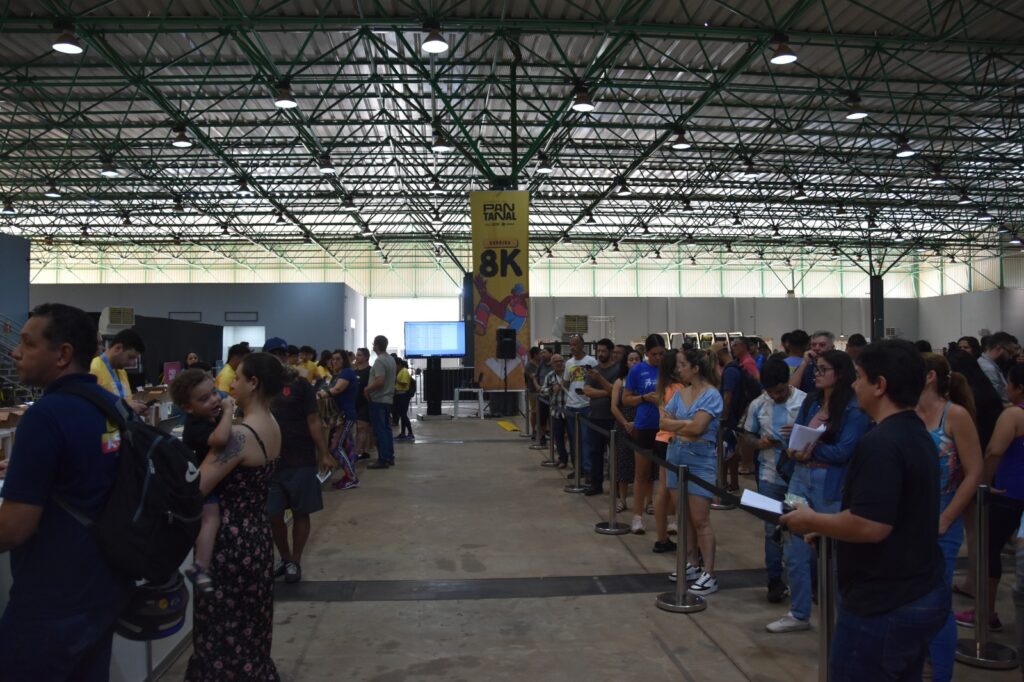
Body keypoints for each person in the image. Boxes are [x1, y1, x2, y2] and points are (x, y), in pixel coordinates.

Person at [781, 340, 948, 681]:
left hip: (886, 600)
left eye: (859, 377)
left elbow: (872, 525)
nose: (854, 385)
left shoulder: (881, 443)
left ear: (880, 385)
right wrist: (828, 527)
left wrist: (812, 518)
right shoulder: (914, 432)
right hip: (916, 587)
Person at [0, 303, 133, 679]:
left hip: (50, 600)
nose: (15, 351)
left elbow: (14, 528)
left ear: (62, 354)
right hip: (104, 590)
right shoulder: (114, 407)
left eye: (27, 343)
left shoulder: (45, 417)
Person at [186, 352, 285, 680]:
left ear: (253, 383)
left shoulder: (240, 436)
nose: (230, 384)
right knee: (251, 630)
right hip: (256, 538)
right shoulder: (271, 425)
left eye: (238, 378)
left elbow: (196, 487)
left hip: (229, 545)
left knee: (222, 633)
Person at [767, 350, 869, 633]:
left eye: (823, 369)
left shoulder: (853, 409)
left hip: (830, 482)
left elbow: (845, 451)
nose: (817, 373)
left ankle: (842, 618)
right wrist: (794, 450)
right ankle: (799, 612)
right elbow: (799, 432)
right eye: (817, 369)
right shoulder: (812, 400)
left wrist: (811, 449)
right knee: (794, 548)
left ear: (840, 372)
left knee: (834, 553)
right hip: (800, 477)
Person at [916, 353, 983, 681]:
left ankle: (941, 673)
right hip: (909, 521)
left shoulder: (954, 416)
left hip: (943, 517)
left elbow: (974, 472)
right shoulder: (907, 414)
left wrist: (947, 517)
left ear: (929, 376)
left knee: (938, 603)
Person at [956, 363, 1024, 632]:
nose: (1005, 389)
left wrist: (982, 482)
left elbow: (994, 450)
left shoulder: (1013, 416)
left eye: (1009, 384)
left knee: (988, 549)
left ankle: (985, 611)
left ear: (1019, 388)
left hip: (1009, 493)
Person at [264, 337, 331, 584]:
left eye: (281, 353)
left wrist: (323, 452)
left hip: (300, 458)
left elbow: (313, 420)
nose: (278, 357)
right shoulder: (258, 386)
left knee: (302, 512)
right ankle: (284, 557)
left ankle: (295, 560)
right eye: (273, 353)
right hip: (269, 461)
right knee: (273, 514)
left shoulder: (300, 385)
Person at [660, 349, 724, 595]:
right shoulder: (680, 393)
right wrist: (686, 426)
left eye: (682, 364)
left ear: (695, 368)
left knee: (700, 519)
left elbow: (698, 429)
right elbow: (664, 422)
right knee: (684, 517)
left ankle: (709, 572)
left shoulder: (711, 395)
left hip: (700, 460)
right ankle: (692, 563)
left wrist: (682, 426)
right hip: (675, 455)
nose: (678, 369)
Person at [744, 358, 806, 604]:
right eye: (771, 392)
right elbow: (747, 435)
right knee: (771, 530)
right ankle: (774, 580)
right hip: (768, 475)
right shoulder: (758, 404)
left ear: (787, 383)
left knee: (800, 528)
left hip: (798, 476)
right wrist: (758, 443)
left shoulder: (804, 402)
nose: (775, 396)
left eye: (779, 391)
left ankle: (804, 581)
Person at [170, 368, 236, 595]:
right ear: (188, 408)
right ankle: (200, 566)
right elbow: (220, 439)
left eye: (214, 393)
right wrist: (228, 412)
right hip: (200, 484)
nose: (215, 400)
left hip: (212, 483)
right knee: (210, 518)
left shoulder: (209, 417)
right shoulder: (196, 426)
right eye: (204, 398)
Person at [624, 334, 666, 534]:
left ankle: (671, 517)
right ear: (646, 353)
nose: (658, 358)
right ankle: (637, 517)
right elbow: (626, 399)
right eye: (654, 354)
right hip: (644, 425)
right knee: (641, 474)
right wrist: (643, 398)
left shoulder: (670, 370)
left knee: (667, 476)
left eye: (661, 354)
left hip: (667, 427)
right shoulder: (637, 370)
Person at [319, 349, 360, 490]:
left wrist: (320, 395)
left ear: (344, 360)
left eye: (338, 359)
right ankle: (350, 475)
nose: (334, 361)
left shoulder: (347, 373)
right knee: (348, 447)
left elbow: (337, 390)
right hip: (341, 416)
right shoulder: (338, 374)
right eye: (332, 359)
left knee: (335, 447)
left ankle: (352, 477)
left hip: (344, 416)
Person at [583, 338, 619, 496]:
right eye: (598, 351)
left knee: (616, 455)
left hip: (613, 418)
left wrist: (600, 380)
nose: (600, 354)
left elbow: (617, 393)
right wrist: (608, 391)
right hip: (595, 417)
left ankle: (617, 487)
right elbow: (587, 391)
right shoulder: (593, 370)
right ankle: (596, 484)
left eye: (604, 351)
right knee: (595, 452)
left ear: (611, 352)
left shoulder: (618, 370)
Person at [611, 349, 642, 513]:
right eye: (631, 359)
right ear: (626, 363)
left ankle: (646, 501)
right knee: (622, 464)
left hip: (642, 425)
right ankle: (622, 500)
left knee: (644, 466)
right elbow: (614, 407)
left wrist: (638, 422)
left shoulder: (645, 381)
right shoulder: (620, 382)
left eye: (637, 359)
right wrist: (625, 423)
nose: (634, 362)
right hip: (624, 426)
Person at [90, 328, 149, 414]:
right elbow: (92, 407)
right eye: (130, 357)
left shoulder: (122, 372)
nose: (132, 363)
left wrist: (136, 407)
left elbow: (125, 400)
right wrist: (127, 407)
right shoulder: (94, 369)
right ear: (118, 348)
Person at [563, 334, 597, 480]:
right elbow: (566, 382)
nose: (572, 347)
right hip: (571, 405)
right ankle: (578, 468)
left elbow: (597, 380)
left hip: (586, 405)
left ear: (582, 345)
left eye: (575, 344)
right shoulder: (569, 363)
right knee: (574, 439)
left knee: (586, 440)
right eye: (570, 344)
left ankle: (588, 469)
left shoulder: (591, 361)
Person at [365, 335, 397, 469]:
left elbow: (380, 381)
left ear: (377, 346)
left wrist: (367, 389)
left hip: (378, 399)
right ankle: (389, 456)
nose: (373, 347)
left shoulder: (379, 361)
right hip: (388, 399)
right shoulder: (391, 359)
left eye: (373, 344)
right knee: (387, 429)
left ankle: (383, 459)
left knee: (380, 431)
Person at [542, 355, 569, 467]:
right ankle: (562, 459)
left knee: (572, 436)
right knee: (558, 436)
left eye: (561, 361)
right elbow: (542, 390)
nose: (559, 363)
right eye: (556, 362)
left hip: (569, 410)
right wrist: (551, 389)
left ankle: (577, 462)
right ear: (552, 364)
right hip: (556, 410)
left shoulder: (569, 374)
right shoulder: (549, 376)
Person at [979, 332, 1020, 404]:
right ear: (999, 348)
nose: (1010, 357)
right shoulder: (988, 369)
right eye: (1010, 353)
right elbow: (1000, 399)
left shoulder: (991, 365)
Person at [790, 330, 835, 395]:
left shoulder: (836, 366)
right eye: (813, 345)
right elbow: (791, 390)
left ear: (832, 348)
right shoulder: (806, 366)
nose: (817, 348)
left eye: (822, 345)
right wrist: (804, 363)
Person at [353, 347, 374, 461]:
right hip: (355, 403)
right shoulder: (354, 371)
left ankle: (356, 452)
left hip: (366, 402)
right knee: (363, 429)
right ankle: (365, 451)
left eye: (360, 355)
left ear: (366, 357)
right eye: (357, 355)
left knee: (362, 427)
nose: (357, 357)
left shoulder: (370, 371)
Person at [531, 347, 552, 451]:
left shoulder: (554, 366)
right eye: (541, 353)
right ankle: (542, 438)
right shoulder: (541, 364)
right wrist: (538, 387)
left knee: (553, 420)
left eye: (545, 352)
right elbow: (536, 376)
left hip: (553, 398)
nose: (542, 355)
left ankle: (554, 441)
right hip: (543, 397)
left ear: (551, 354)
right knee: (542, 420)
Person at [394, 357, 414, 441]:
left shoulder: (404, 371)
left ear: (399, 364)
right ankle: (403, 433)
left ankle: (410, 433)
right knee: (402, 415)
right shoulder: (400, 371)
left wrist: (395, 380)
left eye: (396, 365)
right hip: (399, 395)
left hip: (403, 395)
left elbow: (404, 383)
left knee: (403, 415)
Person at [525, 347, 541, 439]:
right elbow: (533, 377)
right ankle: (534, 430)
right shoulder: (529, 366)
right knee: (534, 412)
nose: (541, 355)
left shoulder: (542, 364)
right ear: (535, 355)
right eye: (540, 353)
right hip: (533, 392)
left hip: (542, 391)